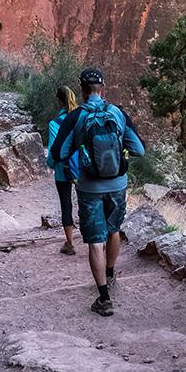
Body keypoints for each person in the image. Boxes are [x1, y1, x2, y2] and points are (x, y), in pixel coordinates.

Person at [50, 67, 145, 316]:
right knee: (114, 230)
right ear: (102, 89)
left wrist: (79, 148)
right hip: (117, 184)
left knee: (95, 241)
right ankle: (111, 274)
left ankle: (103, 298)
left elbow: (59, 153)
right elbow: (139, 149)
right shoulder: (117, 112)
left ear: (82, 91)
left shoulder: (77, 116)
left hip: (89, 187)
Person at [46, 86, 80, 255]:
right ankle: (95, 242)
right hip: (82, 168)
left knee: (66, 205)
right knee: (85, 203)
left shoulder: (55, 123)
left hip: (63, 169)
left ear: (59, 101)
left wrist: (51, 164)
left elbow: (54, 148)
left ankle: (70, 243)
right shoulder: (81, 118)